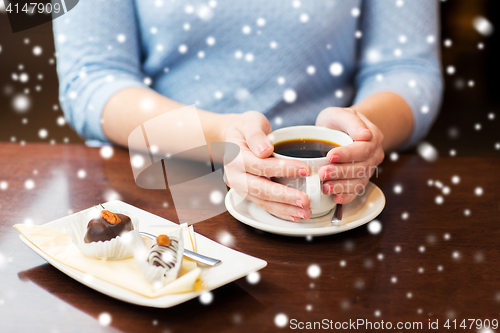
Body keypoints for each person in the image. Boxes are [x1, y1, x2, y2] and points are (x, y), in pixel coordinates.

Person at [54, 0, 442, 221]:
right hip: (162, 192)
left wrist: (363, 131)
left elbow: (409, 70)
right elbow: (90, 79)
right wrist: (216, 138)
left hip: (338, 202)